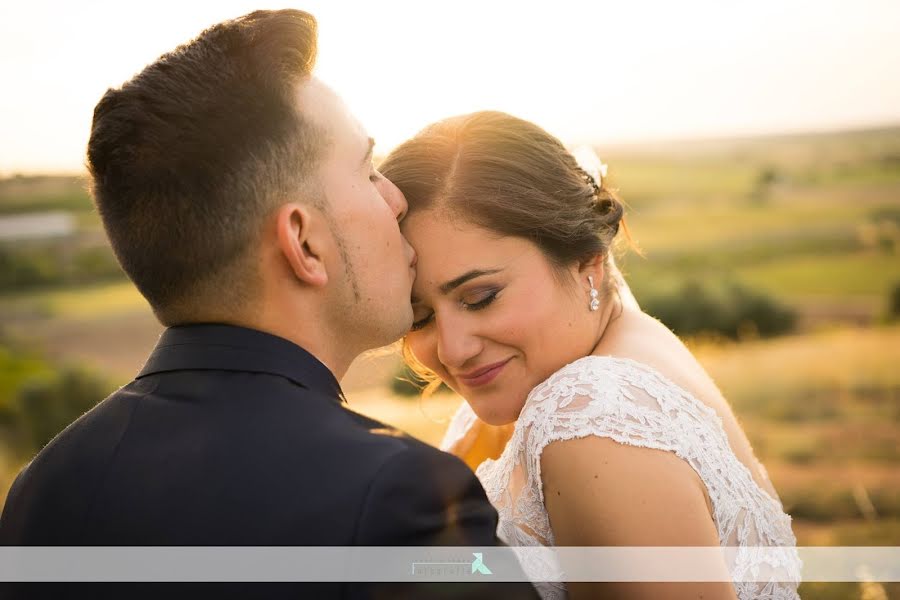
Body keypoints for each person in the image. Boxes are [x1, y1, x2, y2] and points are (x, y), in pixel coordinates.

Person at [0, 11, 539, 600]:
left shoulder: (43, 490)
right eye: (368, 170)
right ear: (303, 242)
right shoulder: (394, 497)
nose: (397, 199)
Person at [379, 110, 801, 600]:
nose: (453, 350)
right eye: (419, 318)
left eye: (480, 298)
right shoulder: (622, 346)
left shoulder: (591, 415)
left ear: (587, 263)